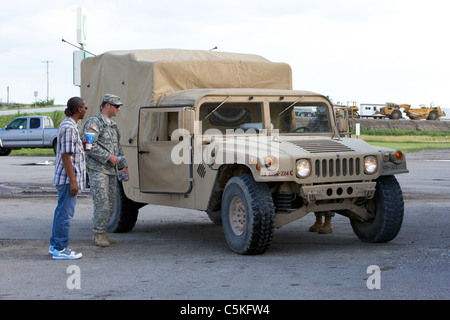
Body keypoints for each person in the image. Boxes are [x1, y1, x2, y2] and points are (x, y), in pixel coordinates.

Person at [83, 94, 129, 247]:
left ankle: (103, 232)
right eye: (116, 106)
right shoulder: (94, 123)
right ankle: (98, 234)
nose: (118, 109)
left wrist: (123, 166)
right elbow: (89, 146)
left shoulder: (113, 125)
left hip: (111, 171)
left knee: (110, 203)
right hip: (98, 170)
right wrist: (109, 157)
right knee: (101, 202)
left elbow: (118, 148)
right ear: (107, 105)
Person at [49, 97, 87, 259]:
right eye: (85, 107)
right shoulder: (69, 127)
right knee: (65, 214)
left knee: (61, 212)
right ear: (79, 109)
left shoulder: (70, 125)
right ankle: (60, 248)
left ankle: (55, 245)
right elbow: (66, 156)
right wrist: (73, 181)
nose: (86, 109)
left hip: (66, 178)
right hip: (67, 179)